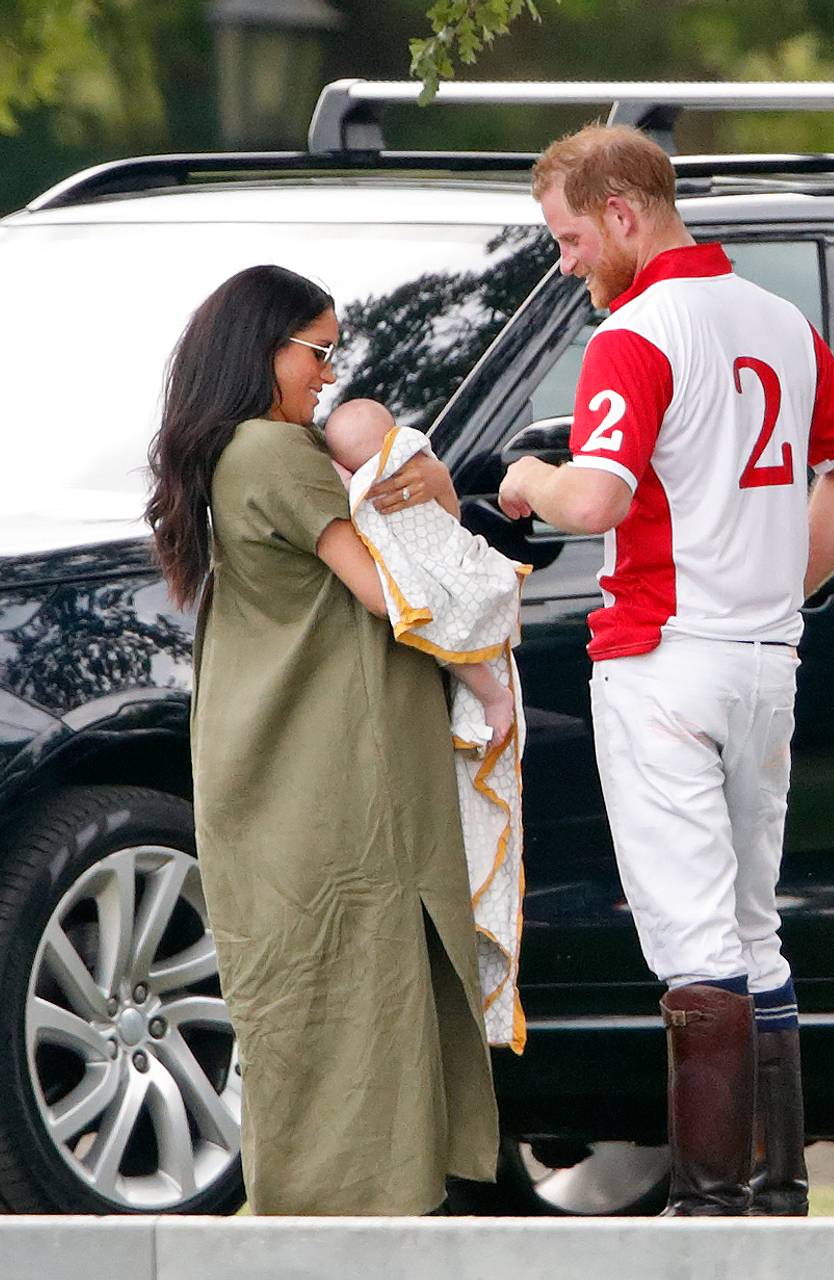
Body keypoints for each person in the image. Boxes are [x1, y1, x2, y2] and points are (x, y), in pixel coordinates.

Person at [498, 126, 834, 1217]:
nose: (567, 261)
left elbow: (598, 499)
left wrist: (529, 476)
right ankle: (772, 1189)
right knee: (752, 923)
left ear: (622, 213)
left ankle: (712, 1200)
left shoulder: (635, 334)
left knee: (690, 936)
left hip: (662, 658)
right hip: (763, 656)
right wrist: (782, 576)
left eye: (571, 237)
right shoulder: (776, 318)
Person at [144, 264, 498, 1216]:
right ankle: (355, 1228)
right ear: (263, 348)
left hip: (276, 778)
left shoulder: (230, 455)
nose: (328, 375)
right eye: (318, 351)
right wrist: (435, 504)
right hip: (333, 778)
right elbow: (396, 592)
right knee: (360, 1006)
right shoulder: (275, 453)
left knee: (305, 1009)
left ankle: (317, 1220)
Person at [325, 395, 529, 1053]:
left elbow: (423, 574)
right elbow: (413, 595)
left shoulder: (396, 482)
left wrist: (439, 489)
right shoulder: (361, 496)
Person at [325, 397, 517, 751]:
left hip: (448, 573)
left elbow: (447, 524)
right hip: (449, 576)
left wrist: (440, 481)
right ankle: (490, 698)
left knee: (449, 633)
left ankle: (493, 697)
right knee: (451, 634)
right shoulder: (410, 462)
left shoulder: (405, 471)